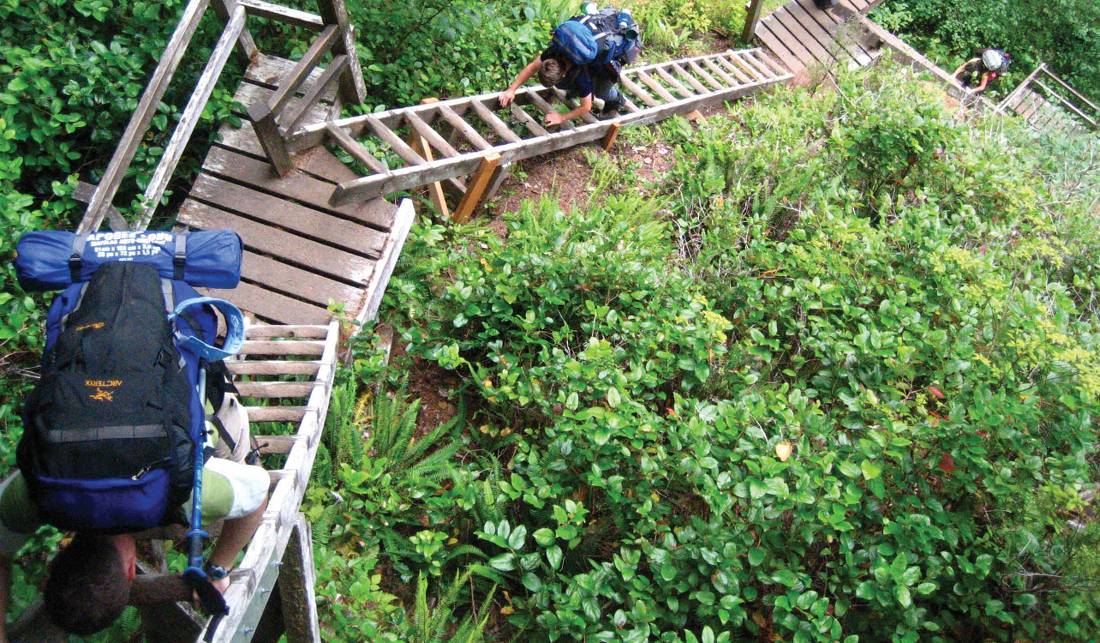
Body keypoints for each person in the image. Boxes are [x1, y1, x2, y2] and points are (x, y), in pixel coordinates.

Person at [0, 395, 268, 639]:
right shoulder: (40, 488)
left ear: (130, 570)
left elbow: (259, 490)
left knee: (236, 454)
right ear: (56, 559)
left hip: (207, 407)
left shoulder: (181, 492)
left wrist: (218, 570)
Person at [500, 47, 624, 126]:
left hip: (604, 66)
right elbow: (531, 67)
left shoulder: (581, 75)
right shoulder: (553, 52)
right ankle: (579, 92)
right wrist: (511, 90)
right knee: (567, 87)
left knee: (602, 91)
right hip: (587, 60)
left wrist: (561, 117)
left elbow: (586, 107)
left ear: (563, 73)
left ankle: (616, 100)